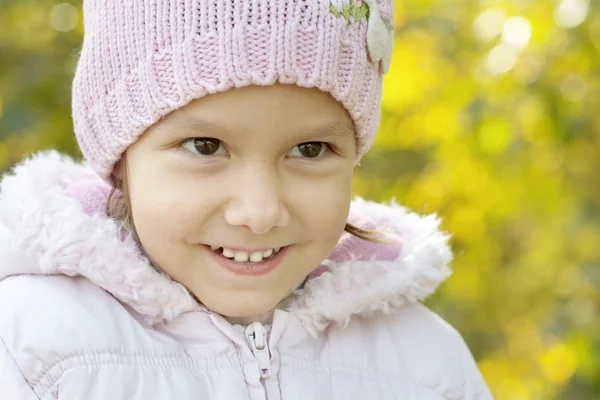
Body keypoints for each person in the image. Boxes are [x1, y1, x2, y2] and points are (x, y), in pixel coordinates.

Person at [0, 0, 493, 398]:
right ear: (119, 157)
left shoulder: (426, 367)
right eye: (206, 147)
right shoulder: (31, 348)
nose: (259, 213)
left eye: (309, 149)